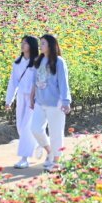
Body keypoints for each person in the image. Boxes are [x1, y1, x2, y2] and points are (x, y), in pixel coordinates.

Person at [29, 34, 71, 171]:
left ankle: (56, 161)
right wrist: (31, 98)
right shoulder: (39, 60)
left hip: (55, 103)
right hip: (40, 102)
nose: (40, 46)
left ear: (51, 45)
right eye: (40, 43)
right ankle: (50, 152)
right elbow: (35, 81)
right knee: (35, 128)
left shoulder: (59, 62)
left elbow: (64, 83)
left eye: (43, 43)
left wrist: (66, 101)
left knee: (56, 133)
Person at [5, 36, 39, 168]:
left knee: (26, 127)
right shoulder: (17, 62)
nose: (22, 45)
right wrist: (9, 100)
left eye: (25, 43)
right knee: (20, 126)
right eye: (22, 43)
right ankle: (40, 144)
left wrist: (36, 98)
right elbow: (13, 82)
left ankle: (24, 158)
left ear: (31, 46)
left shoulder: (37, 62)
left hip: (33, 98)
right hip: (21, 97)